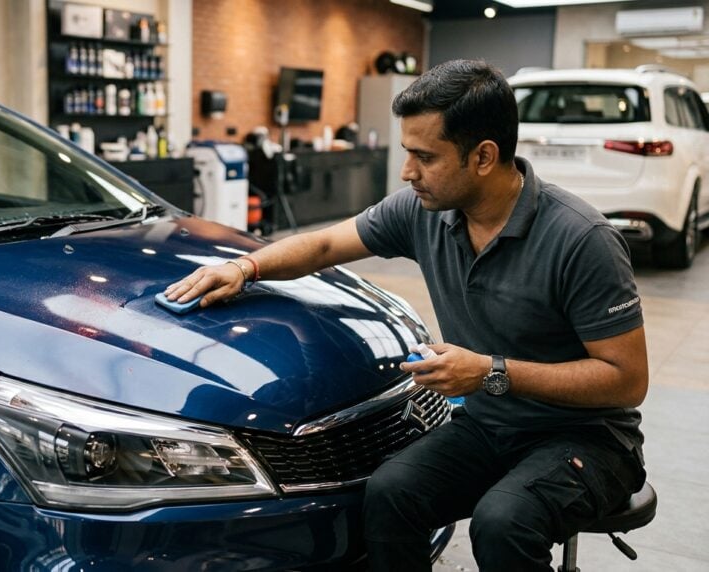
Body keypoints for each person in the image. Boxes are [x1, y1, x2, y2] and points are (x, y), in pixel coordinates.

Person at [164, 59, 647, 571]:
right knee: (392, 492)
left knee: (504, 522)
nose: (406, 171)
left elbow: (625, 380)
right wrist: (247, 267)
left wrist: (490, 372)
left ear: (483, 156)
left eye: (424, 156)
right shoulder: (424, 212)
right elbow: (326, 241)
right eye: (406, 152)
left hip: (590, 440)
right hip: (492, 426)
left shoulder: (582, 240)